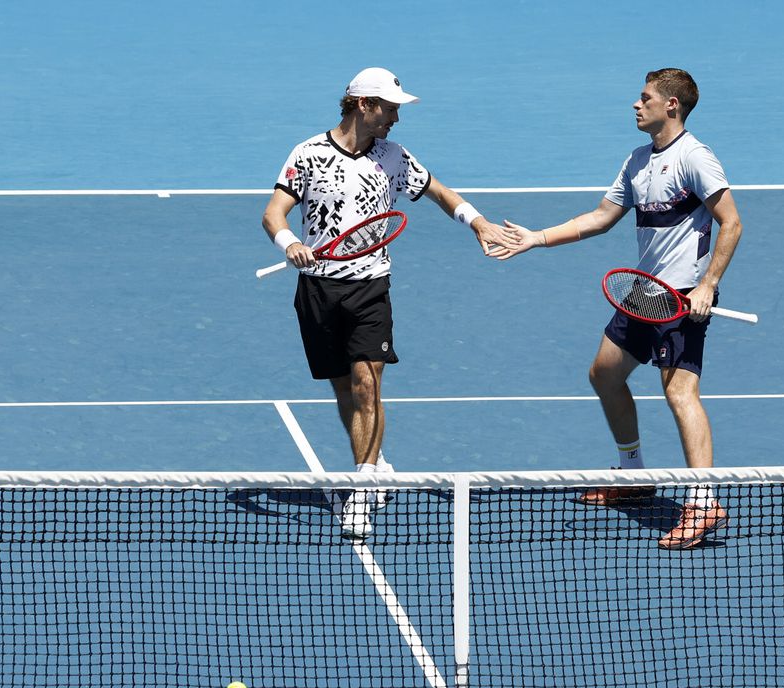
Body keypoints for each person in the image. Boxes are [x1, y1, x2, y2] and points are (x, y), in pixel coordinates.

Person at [493, 68, 743, 550]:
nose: (636, 104)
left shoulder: (696, 158)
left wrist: (709, 284)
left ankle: (704, 501)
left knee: (680, 394)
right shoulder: (636, 161)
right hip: (645, 291)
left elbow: (731, 223)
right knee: (604, 374)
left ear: (671, 105)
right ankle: (633, 473)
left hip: (683, 296)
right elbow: (601, 218)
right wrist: (535, 239)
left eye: (645, 97)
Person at [262, 67, 509, 540]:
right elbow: (274, 214)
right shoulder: (307, 154)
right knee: (344, 389)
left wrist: (478, 224)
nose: (396, 117)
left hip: (370, 286)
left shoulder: (394, 158)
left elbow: (439, 192)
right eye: (390, 107)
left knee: (366, 384)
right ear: (362, 105)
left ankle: (362, 487)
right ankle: (371, 463)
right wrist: (290, 243)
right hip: (318, 288)